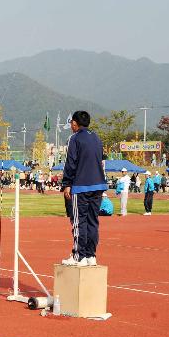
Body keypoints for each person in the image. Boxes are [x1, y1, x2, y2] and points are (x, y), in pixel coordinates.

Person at [61, 110, 107, 266]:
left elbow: (71, 163)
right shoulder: (96, 138)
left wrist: (66, 184)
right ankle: (90, 255)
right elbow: (100, 159)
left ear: (74, 123)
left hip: (81, 186)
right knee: (92, 221)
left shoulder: (74, 139)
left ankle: (78, 255)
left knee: (78, 221)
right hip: (98, 184)